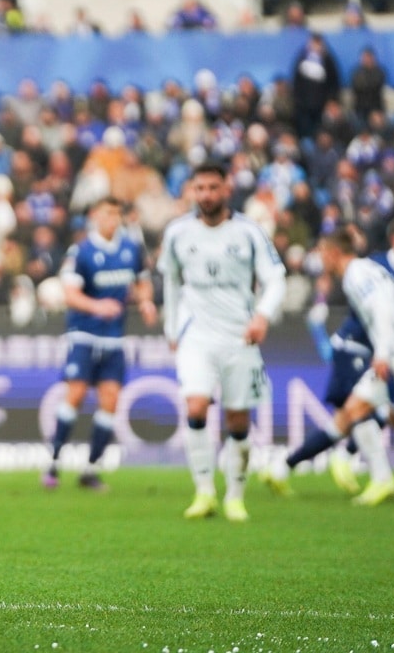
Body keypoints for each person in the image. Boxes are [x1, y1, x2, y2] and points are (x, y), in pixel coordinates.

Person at [265, 214, 394, 503]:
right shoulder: (371, 268)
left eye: (322, 254)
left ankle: (381, 479)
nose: (320, 261)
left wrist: (382, 353)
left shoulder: (356, 274)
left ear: (333, 253)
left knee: (353, 410)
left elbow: (381, 308)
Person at [157, 162, 286, 521]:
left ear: (226, 189)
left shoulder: (248, 232)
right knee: (196, 407)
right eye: (200, 188)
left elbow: (276, 279)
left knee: (237, 418)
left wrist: (262, 315)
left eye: (213, 188)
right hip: (196, 335)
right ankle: (203, 492)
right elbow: (170, 282)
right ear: (192, 191)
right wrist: (171, 329)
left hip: (239, 335)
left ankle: (235, 495)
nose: (207, 195)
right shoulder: (177, 233)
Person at [44, 197, 158, 491]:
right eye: (108, 214)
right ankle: (54, 461)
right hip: (84, 335)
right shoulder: (81, 250)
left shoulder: (131, 248)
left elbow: (143, 280)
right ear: (95, 216)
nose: (113, 219)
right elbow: (70, 294)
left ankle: (90, 469)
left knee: (110, 401)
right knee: (76, 395)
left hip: (114, 338)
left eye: (117, 214)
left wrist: (145, 301)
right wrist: (98, 307)